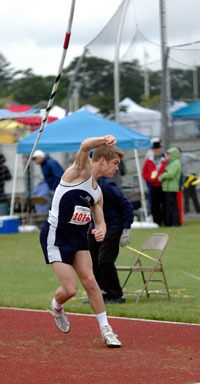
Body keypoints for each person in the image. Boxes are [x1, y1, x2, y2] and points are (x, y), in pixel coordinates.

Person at [40, 135, 122, 348]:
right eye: (115, 164)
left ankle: (107, 330)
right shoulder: (78, 172)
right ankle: (57, 305)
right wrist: (104, 139)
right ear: (102, 160)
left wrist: (101, 229)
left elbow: (100, 218)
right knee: (70, 290)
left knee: (91, 282)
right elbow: (85, 145)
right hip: (56, 235)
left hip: (78, 238)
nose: (117, 169)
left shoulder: (97, 192)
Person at [88, 147, 133, 304]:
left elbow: (126, 206)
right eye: (115, 163)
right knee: (91, 260)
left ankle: (116, 294)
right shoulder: (89, 182)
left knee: (105, 260)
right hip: (95, 228)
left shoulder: (107, 185)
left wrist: (126, 228)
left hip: (112, 227)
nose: (117, 168)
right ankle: (102, 292)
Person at [142, 138, 166, 225]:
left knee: (165, 204)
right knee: (155, 205)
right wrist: (149, 178)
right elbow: (144, 172)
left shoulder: (165, 159)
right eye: (155, 149)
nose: (157, 150)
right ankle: (157, 222)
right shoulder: (149, 160)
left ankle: (165, 220)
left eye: (158, 149)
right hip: (153, 185)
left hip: (164, 185)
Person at [160, 147, 182, 226]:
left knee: (173, 206)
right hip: (168, 187)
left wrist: (162, 176)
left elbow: (170, 174)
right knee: (169, 206)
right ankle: (170, 222)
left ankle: (175, 223)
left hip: (171, 188)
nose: (167, 156)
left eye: (169, 154)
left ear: (174, 154)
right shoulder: (172, 163)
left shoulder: (176, 163)